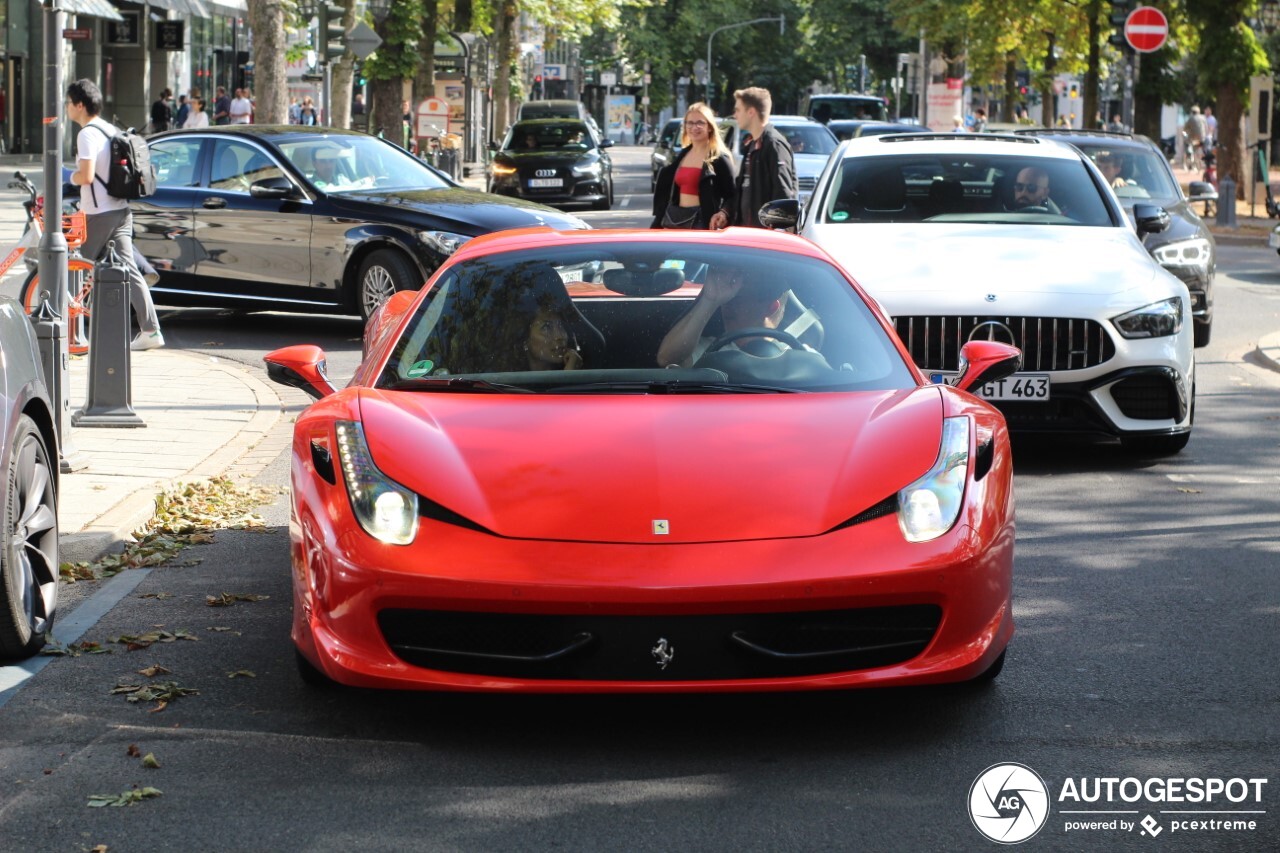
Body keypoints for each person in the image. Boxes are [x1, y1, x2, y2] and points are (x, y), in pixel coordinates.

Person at [65, 78, 163, 351]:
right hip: (121, 210)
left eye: (68, 103)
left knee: (75, 267)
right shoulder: (109, 128)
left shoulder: (86, 134)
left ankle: (69, 333)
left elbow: (85, 175)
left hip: (98, 213)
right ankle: (151, 331)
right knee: (130, 271)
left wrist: (69, 176)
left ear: (79, 105)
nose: (66, 108)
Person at [656, 263, 790, 368]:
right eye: (727, 298)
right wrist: (710, 300)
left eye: (738, 298)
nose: (727, 304)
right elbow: (666, 360)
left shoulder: (791, 353)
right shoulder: (710, 349)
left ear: (770, 308)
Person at [719, 86, 796, 229]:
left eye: (737, 110)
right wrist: (725, 212)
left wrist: (774, 231)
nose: (735, 115)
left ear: (751, 112)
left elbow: (783, 195)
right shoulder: (751, 145)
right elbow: (740, 189)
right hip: (746, 232)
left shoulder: (774, 145)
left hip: (763, 238)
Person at [651, 103, 735, 231]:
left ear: (710, 127)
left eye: (700, 123)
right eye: (689, 123)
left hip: (702, 223)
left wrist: (723, 213)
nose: (694, 127)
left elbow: (733, 195)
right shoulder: (682, 155)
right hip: (675, 220)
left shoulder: (719, 158)